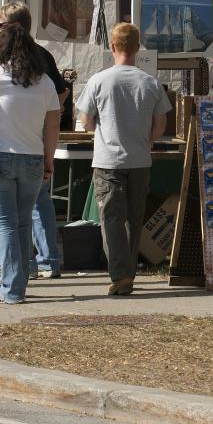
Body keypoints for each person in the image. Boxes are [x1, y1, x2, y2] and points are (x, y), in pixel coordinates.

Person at [0, 24, 61, 304]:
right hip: (32, 158)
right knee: (22, 224)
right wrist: (48, 159)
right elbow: (53, 125)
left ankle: (11, 289)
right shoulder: (44, 81)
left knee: (5, 225)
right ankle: (17, 284)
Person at [76, 22, 171, 296]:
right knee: (133, 218)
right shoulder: (150, 82)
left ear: (113, 47)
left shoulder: (99, 80)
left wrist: (101, 133)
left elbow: (85, 119)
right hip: (140, 160)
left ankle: (121, 274)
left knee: (111, 219)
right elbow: (160, 123)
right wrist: (147, 141)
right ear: (138, 48)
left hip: (108, 161)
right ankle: (127, 272)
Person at [0, 2, 66, 279]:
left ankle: (28, 264)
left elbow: (59, 96)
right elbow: (60, 95)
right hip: (35, 142)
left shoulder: (15, 57)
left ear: (15, 27)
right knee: (38, 203)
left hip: (17, 143)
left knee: (21, 211)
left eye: (0, 25)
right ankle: (46, 260)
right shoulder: (44, 55)